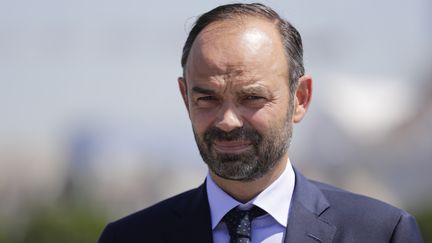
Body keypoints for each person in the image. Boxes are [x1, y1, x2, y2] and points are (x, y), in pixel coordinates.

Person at [98, 3, 423, 243]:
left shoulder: (380, 234)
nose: (227, 121)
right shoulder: (130, 237)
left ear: (300, 99)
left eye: (251, 98)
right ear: (185, 98)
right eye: (207, 98)